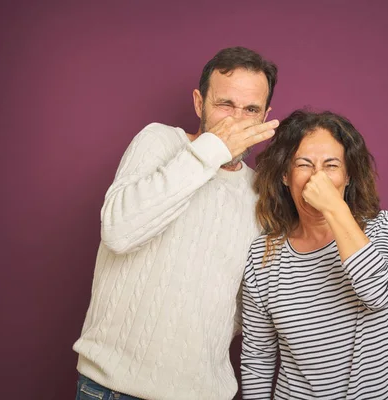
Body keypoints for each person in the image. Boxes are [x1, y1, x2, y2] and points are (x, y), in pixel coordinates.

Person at [73, 46, 279, 400]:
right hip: (112, 389)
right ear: (199, 103)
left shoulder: (259, 193)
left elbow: (249, 306)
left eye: (251, 110)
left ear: (265, 116)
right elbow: (120, 232)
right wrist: (213, 150)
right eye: (224, 105)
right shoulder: (157, 141)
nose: (236, 121)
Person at [241, 110, 388, 399]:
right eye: (304, 164)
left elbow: (379, 294)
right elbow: (258, 357)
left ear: (348, 176)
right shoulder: (262, 255)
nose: (316, 178)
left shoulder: (385, 228)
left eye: (331, 165)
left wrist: (333, 208)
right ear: (285, 175)